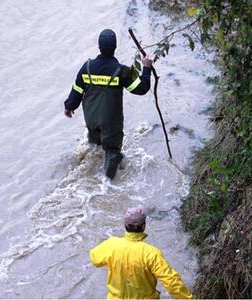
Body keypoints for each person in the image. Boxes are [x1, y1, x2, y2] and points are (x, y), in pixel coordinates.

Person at [64, 29, 153, 179]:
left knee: (95, 146)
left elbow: (77, 90)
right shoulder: (122, 71)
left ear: (99, 47)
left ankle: (90, 172)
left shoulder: (87, 67)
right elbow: (142, 89)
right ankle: (107, 185)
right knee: (112, 151)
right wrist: (147, 68)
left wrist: (69, 106)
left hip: (91, 119)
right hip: (110, 121)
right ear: (115, 47)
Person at [90, 206, 193, 299]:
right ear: (143, 226)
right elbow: (171, 281)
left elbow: (95, 259)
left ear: (125, 225)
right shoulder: (151, 253)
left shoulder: (111, 244)